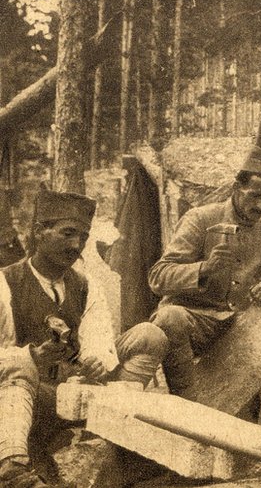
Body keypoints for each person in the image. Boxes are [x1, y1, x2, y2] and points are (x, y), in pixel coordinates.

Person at [0, 190, 169, 487]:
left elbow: (98, 339)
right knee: (17, 376)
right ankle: (13, 468)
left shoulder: (85, 285)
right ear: (39, 232)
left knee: (149, 336)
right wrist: (32, 358)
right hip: (24, 397)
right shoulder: (6, 283)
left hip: (72, 394)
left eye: (83, 236)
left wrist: (97, 363)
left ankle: (109, 437)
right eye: (67, 234)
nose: (76, 245)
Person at [149, 146, 261, 396]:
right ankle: (186, 402)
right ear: (236, 188)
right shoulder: (200, 219)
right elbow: (158, 277)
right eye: (255, 196)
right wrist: (205, 268)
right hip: (195, 322)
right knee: (169, 318)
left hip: (236, 324)